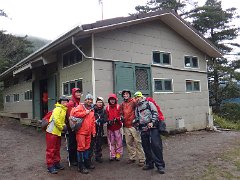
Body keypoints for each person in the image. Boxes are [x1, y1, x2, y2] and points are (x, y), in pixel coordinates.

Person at [133, 91, 165, 174]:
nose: (137, 99)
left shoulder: (149, 103)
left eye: (138, 97)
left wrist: (152, 122)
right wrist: (136, 122)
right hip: (143, 129)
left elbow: (155, 113)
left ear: (141, 96)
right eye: (135, 97)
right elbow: (137, 117)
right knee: (146, 147)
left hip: (153, 128)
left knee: (156, 146)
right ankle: (150, 163)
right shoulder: (137, 108)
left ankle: (160, 165)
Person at [70, 94, 96, 174]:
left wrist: (93, 131)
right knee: (81, 148)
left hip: (88, 133)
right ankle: (80, 166)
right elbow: (74, 114)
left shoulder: (91, 109)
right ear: (85, 100)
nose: (90, 101)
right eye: (88, 99)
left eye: (91, 99)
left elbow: (93, 122)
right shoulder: (80, 107)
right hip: (81, 132)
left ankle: (86, 163)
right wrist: (85, 112)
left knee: (87, 148)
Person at [120, 90, 145, 167]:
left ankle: (142, 159)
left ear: (129, 95)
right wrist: (121, 116)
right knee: (129, 143)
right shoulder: (122, 104)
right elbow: (121, 112)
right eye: (124, 94)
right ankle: (132, 157)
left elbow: (139, 106)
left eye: (127, 94)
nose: (125, 95)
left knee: (138, 142)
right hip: (126, 126)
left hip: (134, 125)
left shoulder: (133, 101)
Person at [45, 95, 68, 174]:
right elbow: (56, 119)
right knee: (51, 149)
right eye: (63, 101)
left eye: (66, 101)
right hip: (52, 131)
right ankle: (50, 166)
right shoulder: (58, 108)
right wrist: (62, 127)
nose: (65, 102)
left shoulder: (63, 109)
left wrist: (64, 125)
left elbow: (61, 120)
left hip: (57, 132)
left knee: (57, 148)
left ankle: (56, 163)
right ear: (60, 102)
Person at [66, 88, 82, 166]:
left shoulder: (78, 102)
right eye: (77, 92)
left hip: (77, 126)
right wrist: (72, 127)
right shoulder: (71, 103)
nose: (79, 94)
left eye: (79, 92)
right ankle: (72, 159)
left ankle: (75, 158)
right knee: (72, 143)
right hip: (72, 127)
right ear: (73, 93)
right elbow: (70, 116)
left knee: (76, 142)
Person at [106, 94, 123, 161]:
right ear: (109, 100)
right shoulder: (107, 108)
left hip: (117, 126)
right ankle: (112, 155)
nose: (112, 101)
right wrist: (108, 120)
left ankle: (118, 154)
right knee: (111, 141)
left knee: (118, 141)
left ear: (115, 100)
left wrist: (117, 118)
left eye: (113, 99)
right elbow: (106, 116)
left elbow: (121, 115)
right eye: (111, 99)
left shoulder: (118, 107)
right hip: (110, 127)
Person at [92, 97, 107, 163]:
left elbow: (105, 119)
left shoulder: (104, 110)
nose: (100, 103)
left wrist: (100, 120)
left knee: (99, 143)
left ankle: (98, 156)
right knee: (92, 143)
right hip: (93, 129)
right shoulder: (92, 110)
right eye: (98, 102)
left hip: (100, 129)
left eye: (101, 102)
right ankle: (90, 157)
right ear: (96, 103)